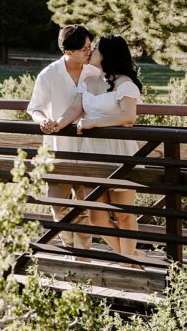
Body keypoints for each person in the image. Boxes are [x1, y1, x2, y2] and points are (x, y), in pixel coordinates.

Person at [26, 24, 99, 253]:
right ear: (69, 52)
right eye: (85, 48)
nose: (90, 51)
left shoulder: (94, 72)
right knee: (57, 204)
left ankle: (83, 256)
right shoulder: (48, 75)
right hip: (58, 151)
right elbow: (34, 108)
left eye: (90, 47)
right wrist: (43, 121)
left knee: (86, 207)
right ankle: (70, 244)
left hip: (90, 150)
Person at [75, 34, 143, 263]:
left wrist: (94, 123)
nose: (91, 51)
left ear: (106, 54)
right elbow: (76, 110)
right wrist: (53, 123)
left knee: (124, 214)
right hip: (91, 154)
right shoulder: (87, 82)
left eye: (95, 49)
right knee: (97, 217)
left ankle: (127, 264)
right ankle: (133, 258)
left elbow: (128, 116)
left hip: (119, 153)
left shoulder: (125, 84)